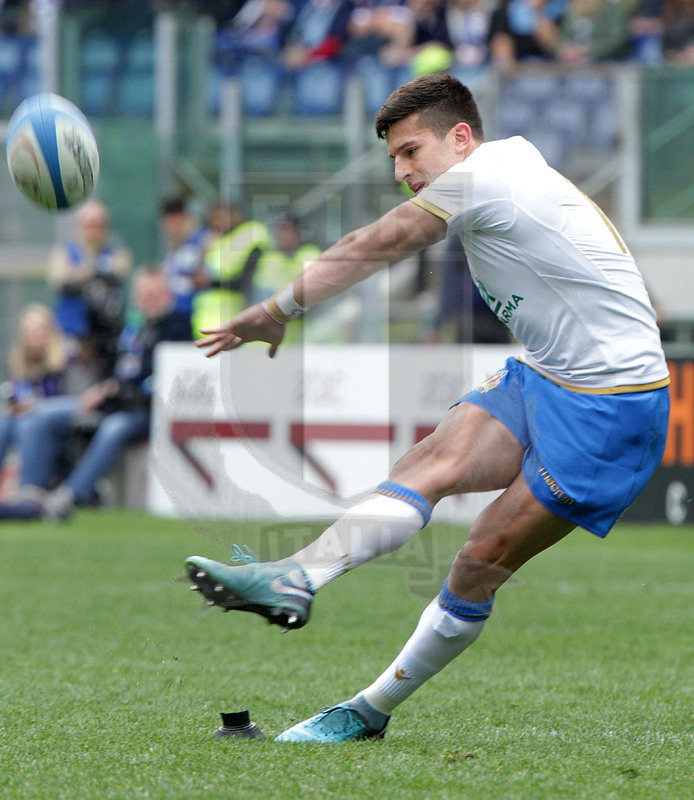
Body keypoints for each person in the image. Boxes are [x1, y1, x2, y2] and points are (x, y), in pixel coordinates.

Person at [185, 73, 670, 743]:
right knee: (430, 461)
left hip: (614, 409)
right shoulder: (505, 167)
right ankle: (298, 575)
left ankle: (368, 711)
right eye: (394, 159)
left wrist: (275, 309)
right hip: (548, 375)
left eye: (412, 151)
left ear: (462, 138)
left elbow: (373, 245)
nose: (401, 171)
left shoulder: (486, 178)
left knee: (479, 559)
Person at [0, 268, 192, 521]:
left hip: (143, 408)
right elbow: (115, 365)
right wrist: (106, 387)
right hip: (110, 401)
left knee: (113, 427)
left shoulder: (176, 326)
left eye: (155, 293)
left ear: (167, 294)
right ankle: (32, 494)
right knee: (36, 414)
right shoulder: (132, 327)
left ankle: (70, 494)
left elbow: (160, 374)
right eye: (144, 293)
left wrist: (114, 389)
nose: (149, 299)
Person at [47, 199, 132, 386]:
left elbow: (121, 270)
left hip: (106, 341)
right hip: (73, 338)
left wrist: (81, 273)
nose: (93, 230)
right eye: (89, 224)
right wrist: (96, 271)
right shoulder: (66, 251)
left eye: (98, 225)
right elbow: (59, 279)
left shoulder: (115, 251)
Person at [0, 304, 67, 485]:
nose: (34, 335)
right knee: (3, 423)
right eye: (29, 331)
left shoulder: (65, 362)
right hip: (21, 422)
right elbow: (12, 397)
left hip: (57, 428)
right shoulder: (16, 364)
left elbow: (77, 402)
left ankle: (29, 488)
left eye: (40, 329)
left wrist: (36, 407)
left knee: (29, 423)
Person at [190, 202, 274, 339]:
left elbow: (247, 282)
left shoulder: (250, 235)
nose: (216, 223)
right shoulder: (218, 240)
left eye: (220, 217)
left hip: (233, 322)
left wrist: (210, 282)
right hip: (207, 323)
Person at [160, 196, 211, 326]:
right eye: (168, 221)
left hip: (196, 316)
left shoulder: (205, 240)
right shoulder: (173, 248)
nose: (171, 226)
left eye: (175, 219)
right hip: (174, 315)